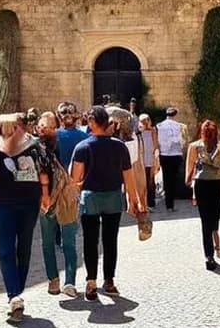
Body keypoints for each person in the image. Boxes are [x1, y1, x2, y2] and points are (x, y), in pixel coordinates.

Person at [0, 112, 51, 321]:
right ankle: (14, 294)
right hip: (4, 206)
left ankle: (17, 290)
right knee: (6, 249)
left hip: (29, 205)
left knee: (24, 248)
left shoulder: (34, 147)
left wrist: (45, 195)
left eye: (16, 125)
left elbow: (43, 172)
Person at [71, 106, 146, 301]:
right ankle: (109, 280)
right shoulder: (119, 147)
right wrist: (134, 200)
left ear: (92, 122)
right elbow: (128, 177)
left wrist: (73, 197)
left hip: (90, 198)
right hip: (113, 197)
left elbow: (76, 180)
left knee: (90, 240)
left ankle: (91, 281)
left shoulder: (82, 147)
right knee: (110, 240)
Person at [35, 112, 79, 298]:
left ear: (56, 128)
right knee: (48, 242)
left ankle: (70, 282)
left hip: (66, 198)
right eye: (42, 126)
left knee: (68, 241)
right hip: (45, 200)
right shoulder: (35, 147)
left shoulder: (66, 142)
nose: (45, 130)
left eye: (49, 127)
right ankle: (53, 279)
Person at [185, 120, 220, 270]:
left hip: (202, 183)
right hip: (217, 182)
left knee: (206, 220)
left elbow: (189, 168)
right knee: (213, 216)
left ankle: (209, 255)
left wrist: (190, 184)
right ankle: (212, 250)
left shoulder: (195, 146)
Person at [156, 107, 191, 210]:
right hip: (176, 154)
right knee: (174, 179)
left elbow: (158, 141)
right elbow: (183, 141)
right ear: (175, 115)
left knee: (166, 178)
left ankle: (168, 203)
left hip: (164, 154)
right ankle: (171, 202)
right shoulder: (180, 126)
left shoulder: (159, 126)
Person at [55, 101, 89, 169]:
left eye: (70, 112)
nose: (68, 115)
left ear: (76, 114)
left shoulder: (85, 137)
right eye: (64, 112)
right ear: (58, 115)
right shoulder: (54, 135)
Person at [135, 113, 159, 208]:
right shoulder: (138, 133)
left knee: (150, 181)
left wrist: (156, 159)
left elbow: (155, 145)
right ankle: (142, 202)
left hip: (150, 160)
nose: (146, 122)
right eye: (144, 120)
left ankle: (150, 202)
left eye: (147, 120)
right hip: (141, 160)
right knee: (142, 182)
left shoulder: (153, 131)